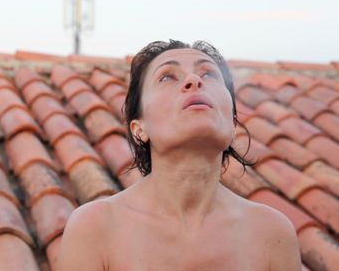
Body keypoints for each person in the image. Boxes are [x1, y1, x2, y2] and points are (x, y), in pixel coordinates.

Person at [57, 40, 302, 271]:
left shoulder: (272, 234)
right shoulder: (95, 229)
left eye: (210, 74)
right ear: (139, 128)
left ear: (231, 121)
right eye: (167, 77)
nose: (194, 79)